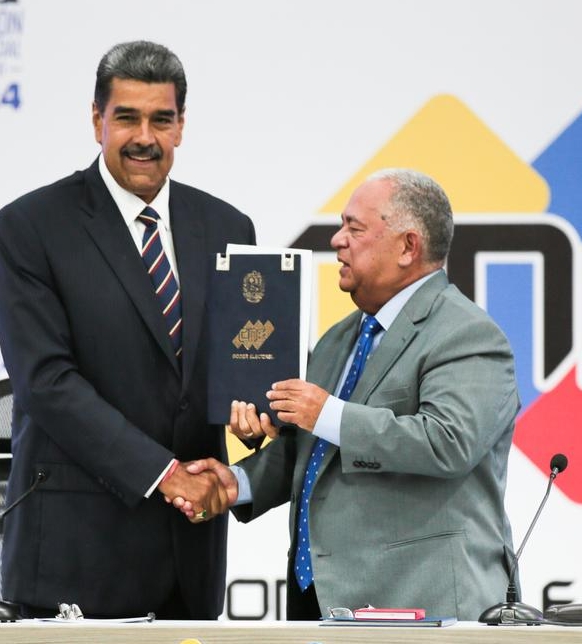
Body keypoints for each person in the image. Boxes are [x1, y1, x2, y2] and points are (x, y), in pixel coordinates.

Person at [179, 168, 521, 620]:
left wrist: (327, 412)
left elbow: (448, 442)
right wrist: (236, 483)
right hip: (319, 600)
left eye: (353, 229)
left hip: (422, 605)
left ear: (407, 247)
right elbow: (314, 450)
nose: (337, 240)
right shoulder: (338, 339)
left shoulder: (468, 334)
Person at [0, 40, 255, 619]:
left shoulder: (228, 227)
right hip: (76, 553)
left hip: (191, 554)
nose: (144, 137)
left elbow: (242, 368)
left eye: (161, 119)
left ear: (181, 126)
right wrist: (165, 476)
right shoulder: (31, 226)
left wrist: (257, 421)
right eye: (126, 118)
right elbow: (46, 382)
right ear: (96, 121)